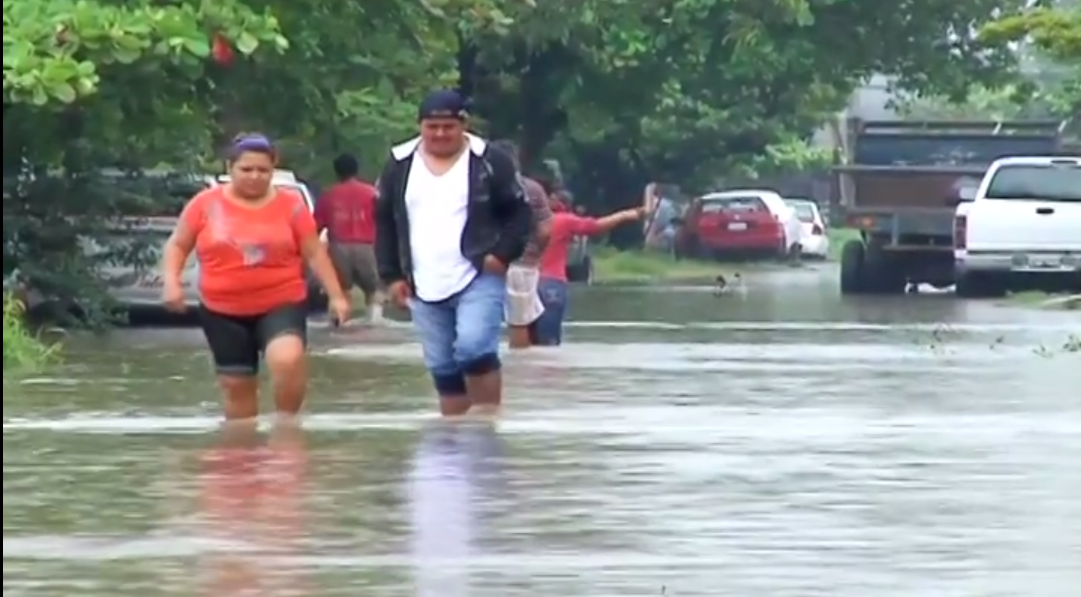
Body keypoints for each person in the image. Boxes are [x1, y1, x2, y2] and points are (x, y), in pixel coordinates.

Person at [161, 133, 350, 420]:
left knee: (286, 360)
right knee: (238, 391)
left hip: (280, 302)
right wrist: (171, 282)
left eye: (263, 170)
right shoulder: (205, 204)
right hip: (222, 309)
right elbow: (178, 244)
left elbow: (314, 253)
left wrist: (336, 296)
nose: (255, 177)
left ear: (273, 169)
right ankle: (244, 455)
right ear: (229, 168)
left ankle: (288, 426)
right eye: (246, 169)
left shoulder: (291, 206)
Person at [374, 90, 533, 417]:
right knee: (443, 367)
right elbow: (385, 221)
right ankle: (453, 442)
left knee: (475, 349)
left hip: (479, 272)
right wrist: (390, 275)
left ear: (464, 124)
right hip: (421, 278)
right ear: (420, 126)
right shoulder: (399, 163)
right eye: (432, 127)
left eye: (448, 126)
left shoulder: (489, 161)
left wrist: (502, 255)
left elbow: (519, 213)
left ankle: (487, 425)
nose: (440, 134)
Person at [532, 194, 644, 345]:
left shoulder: (530, 221)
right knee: (549, 341)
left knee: (529, 340)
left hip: (527, 284)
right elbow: (597, 226)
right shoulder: (564, 220)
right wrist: (625, 215)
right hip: (552, 283)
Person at [488, 139, 552, 349]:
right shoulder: (533, 189)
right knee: (519, 322)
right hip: (522, 263)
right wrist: (535, 255)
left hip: (482, 262)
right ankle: (519, 372)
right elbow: (545, 230)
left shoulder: (479, 185)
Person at [314, 152, 385, 322]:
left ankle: (341, 323)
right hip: (368, 246)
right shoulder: (371, 193)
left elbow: (315, 226)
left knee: (341, 290)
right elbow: (384, 220)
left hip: (339, 247)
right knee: (374, 289)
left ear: (336, 171)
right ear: (356, 170)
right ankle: (374, 324)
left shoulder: (328, 195)